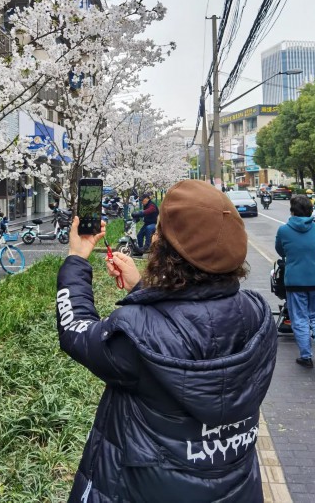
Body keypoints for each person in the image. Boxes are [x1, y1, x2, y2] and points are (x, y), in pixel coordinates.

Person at [56, 179, 277, 503]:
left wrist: (77, 259)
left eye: (161, 233)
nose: (155, 237)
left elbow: (75, 330)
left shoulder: (137, 335)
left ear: (168, 253)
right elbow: (197, 325)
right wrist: (142, 287)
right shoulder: (258, 316)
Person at [275, 194, 315, 371]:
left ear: (292, 210)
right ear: (310, 211)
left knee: (299, 318)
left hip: (295, 281)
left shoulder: (283, 230)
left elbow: (280, 250)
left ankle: (306, 356)